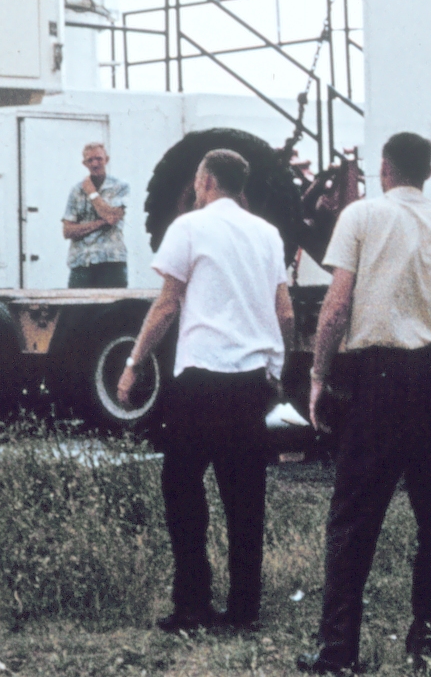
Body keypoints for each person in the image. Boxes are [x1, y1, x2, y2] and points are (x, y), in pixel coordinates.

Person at [301, 132, 431, 674]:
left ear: (384, 168)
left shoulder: (360, 218)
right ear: (428, 172)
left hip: (379, 379)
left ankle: (337, 649)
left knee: (353, 520)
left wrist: (319, 376)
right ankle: (428, 645)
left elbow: (336, 308)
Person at [118, 149, 294, 633]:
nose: (196, 188)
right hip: (249, 383)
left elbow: (167, 305)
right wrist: (276, 370)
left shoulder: (189, 227)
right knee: (245, 500)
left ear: (208, 180)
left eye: (198, 181)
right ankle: (244, 609)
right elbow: (285, 314)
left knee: (183, 493)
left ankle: (192, 603)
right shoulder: (268, 234)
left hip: (199, 380)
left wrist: (134, 364)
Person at [62, 142, 131, 288]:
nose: (95, 163)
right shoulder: (76, 190)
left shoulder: (120, 186)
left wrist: (92, 193)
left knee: (113, 308)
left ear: (107, 159)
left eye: (99, 159)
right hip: (82, 261)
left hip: (111, 260)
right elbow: (68, 231)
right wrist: (102, 222)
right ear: (84, 163)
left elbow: (111, 218)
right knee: (78, 308)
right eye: (90, 160)